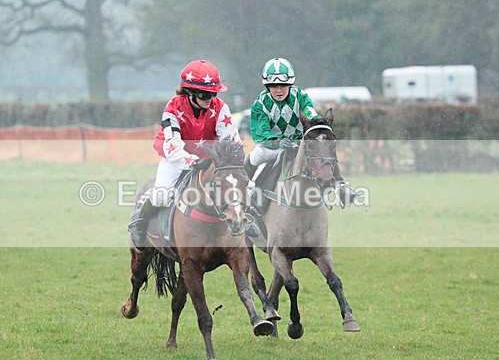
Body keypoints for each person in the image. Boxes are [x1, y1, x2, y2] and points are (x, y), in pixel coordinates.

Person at [128, 59, 255, 247]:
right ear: (190, 92)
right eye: (205, 94)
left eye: (213, 93)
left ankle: (246, 218)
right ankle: (139, 219)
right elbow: (173, 147)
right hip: (176, 158)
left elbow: (231, 140)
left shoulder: (220, 107)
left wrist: (231, 162)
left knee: (247, 186)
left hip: (211, 161)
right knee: (161, 196)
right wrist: (192, 161)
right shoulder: (173, 108)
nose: (210, 99)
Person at [246, 57, 355, 207]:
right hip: (272, 145)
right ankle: (245, 193)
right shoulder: (260, 104)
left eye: (283, 85)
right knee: (253, 158)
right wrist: (279, 142)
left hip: (299, 142)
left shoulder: (300, 96)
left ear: (290, 84)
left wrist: (318, 123)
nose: (278, 90)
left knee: (323, 149)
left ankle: (341, 187)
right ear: (267, 86)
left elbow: (311, 114)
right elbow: (261, 133)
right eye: (273, 85)